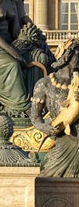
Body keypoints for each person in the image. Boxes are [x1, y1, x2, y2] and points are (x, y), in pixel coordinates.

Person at [30, 39, 79, 177]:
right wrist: (45, 127)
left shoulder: (77, 84)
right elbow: (35, 117)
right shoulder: (44, 84)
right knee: (51, 177)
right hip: (62, 138)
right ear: (67, 56)